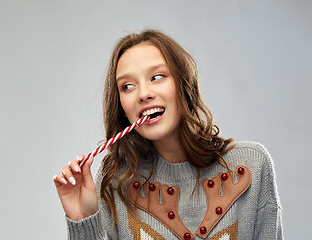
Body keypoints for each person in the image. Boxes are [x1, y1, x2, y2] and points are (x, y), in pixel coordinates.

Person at [53, 29, 283, 240]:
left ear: (183, 84)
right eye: (127, 86)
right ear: (121, 105)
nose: (143, 94)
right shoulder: (116, 180)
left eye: (157, 77)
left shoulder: (251, 164)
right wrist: (83, 219)